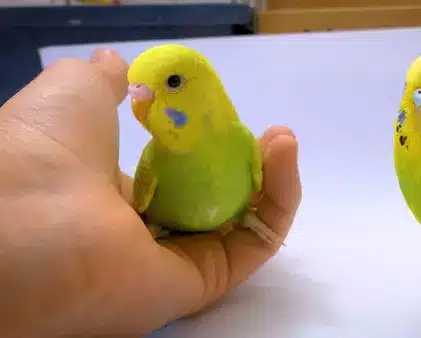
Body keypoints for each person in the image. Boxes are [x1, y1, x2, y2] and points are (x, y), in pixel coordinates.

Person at [0, 48, 302, 336]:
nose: (141, 101)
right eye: (138, 89)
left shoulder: (244, 144)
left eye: (172, 82)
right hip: (164, 227)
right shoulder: (155, 160)